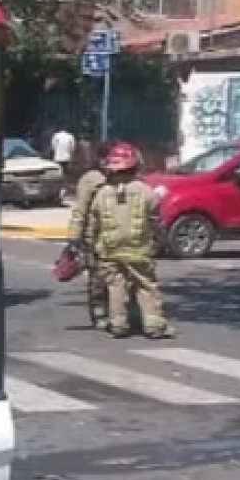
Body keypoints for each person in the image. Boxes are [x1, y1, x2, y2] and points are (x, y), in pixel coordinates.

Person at [82, 142, 174, 339]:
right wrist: (159, 242)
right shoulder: (147, 192)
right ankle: (154, 326)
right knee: (146, 286)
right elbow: (155, 222)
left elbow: (93, 225)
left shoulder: (101, 194)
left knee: (116, 287)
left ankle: (118, 325)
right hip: (139, 251)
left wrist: (90, 248)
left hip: (109, 251)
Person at [65, 156, 111, 329]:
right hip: (95, 236)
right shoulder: (91, 179)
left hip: (119, 236)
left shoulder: (123, 177)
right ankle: (100, 314)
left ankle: (119, 313)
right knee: (98, 278)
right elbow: (81, 210)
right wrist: (74, 238)